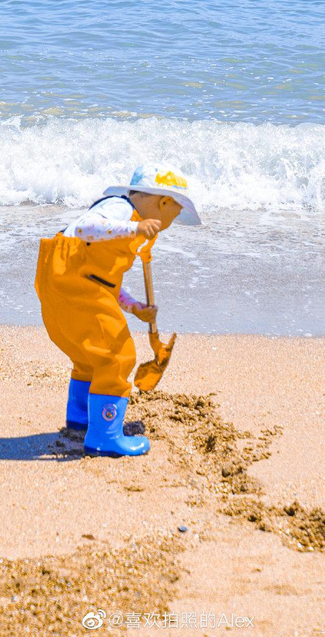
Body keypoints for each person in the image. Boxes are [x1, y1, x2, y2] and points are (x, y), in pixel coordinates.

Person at [34, 165, 201, 457]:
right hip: (74, 287)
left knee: (90, 356)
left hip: (65, 284)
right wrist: (135, 228)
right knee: (118, 356)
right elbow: (87, 226)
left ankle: (80, 419)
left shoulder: (122, 220)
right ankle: (105, 436)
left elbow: (103, 280)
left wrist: (134, 307)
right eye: (174, 215)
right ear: (162, 203)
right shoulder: (120, 209)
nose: (170, 222)